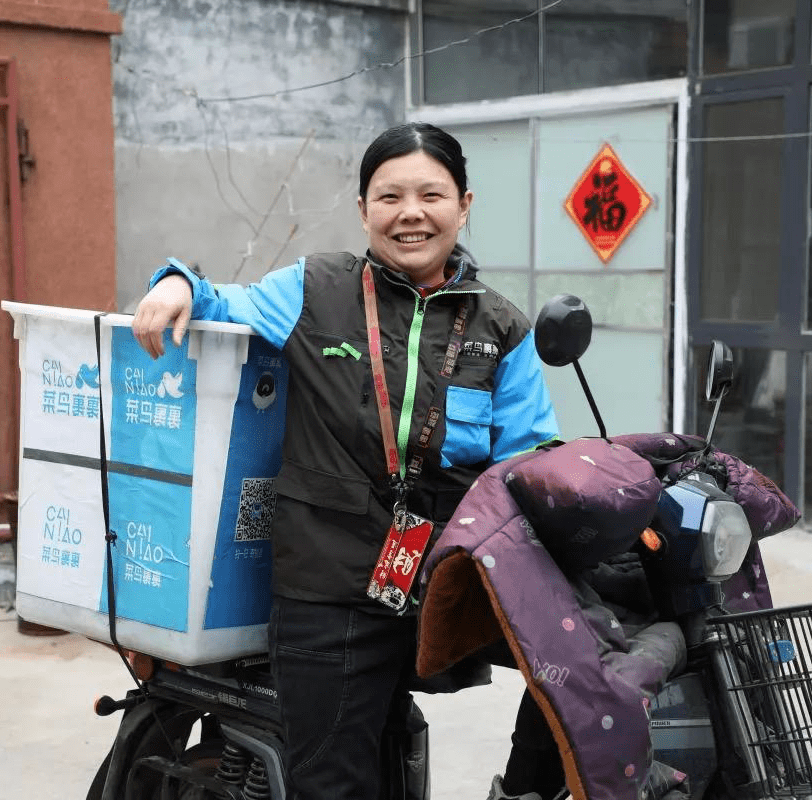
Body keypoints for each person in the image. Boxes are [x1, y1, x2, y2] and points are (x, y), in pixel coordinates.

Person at [131, 121, 560, 800]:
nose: (410, 213)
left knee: (585, 663)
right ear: (364, 210)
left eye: (431, 195)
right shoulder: (316, 288)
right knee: (334, 782)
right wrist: (177, 283)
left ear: (464, 205)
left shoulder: (500, 327)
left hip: (445, 578)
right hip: (329, 587)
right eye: (389, 196)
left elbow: (530, 459)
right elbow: (220, 301)